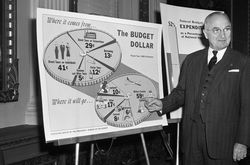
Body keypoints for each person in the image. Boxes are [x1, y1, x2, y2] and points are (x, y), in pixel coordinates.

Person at [142, 12, 250, 165]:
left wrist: (242, 141)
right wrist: (162, 104)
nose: (223, 35)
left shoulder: (243, 62)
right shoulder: (192, 60)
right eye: (216, 30)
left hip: (224, 140)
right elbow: (181, 92)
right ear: (205, 33)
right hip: (192, 138)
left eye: (227, 29)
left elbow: (247, 106)